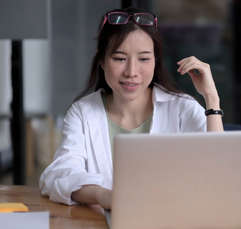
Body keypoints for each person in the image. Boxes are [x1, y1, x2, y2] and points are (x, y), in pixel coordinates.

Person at [39, 7, 223, 209]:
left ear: (155, 62)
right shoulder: (83, 112)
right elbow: (59, 175)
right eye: (119, 59)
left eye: (144, 59)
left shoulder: (182, 109)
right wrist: (103, 196)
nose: (131, 72)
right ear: (102, 61)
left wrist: (211, 99)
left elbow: (216, 175)